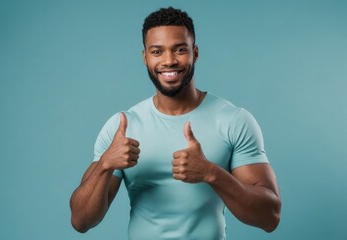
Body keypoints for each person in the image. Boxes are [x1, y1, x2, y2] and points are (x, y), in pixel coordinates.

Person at [70, 7, 281, 240]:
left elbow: (270, 217)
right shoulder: (123, 126)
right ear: (145, 58)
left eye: (180, 50)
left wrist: (212, 173)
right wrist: (105, 165)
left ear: (195, 53)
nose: (169, 61)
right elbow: (80, 221)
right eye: (157, 51)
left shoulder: (234, 120)